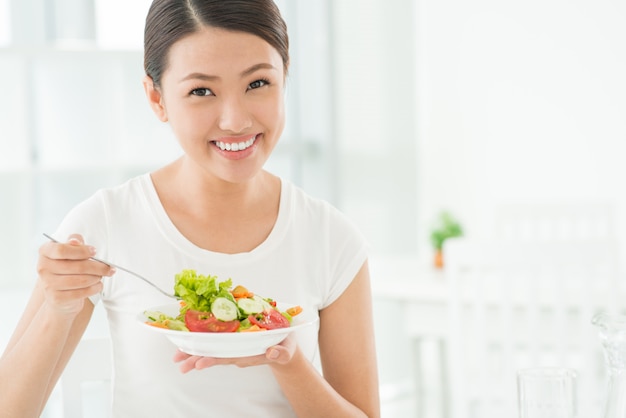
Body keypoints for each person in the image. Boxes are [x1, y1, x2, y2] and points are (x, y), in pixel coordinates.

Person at [0, 0, 380, 417]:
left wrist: (286, 362)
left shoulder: (330, 237)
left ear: (284, 76)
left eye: (257, 84)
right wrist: (58, 308)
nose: (235, 120)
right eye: (201, 91)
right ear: (156, 98)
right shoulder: (105, 224)